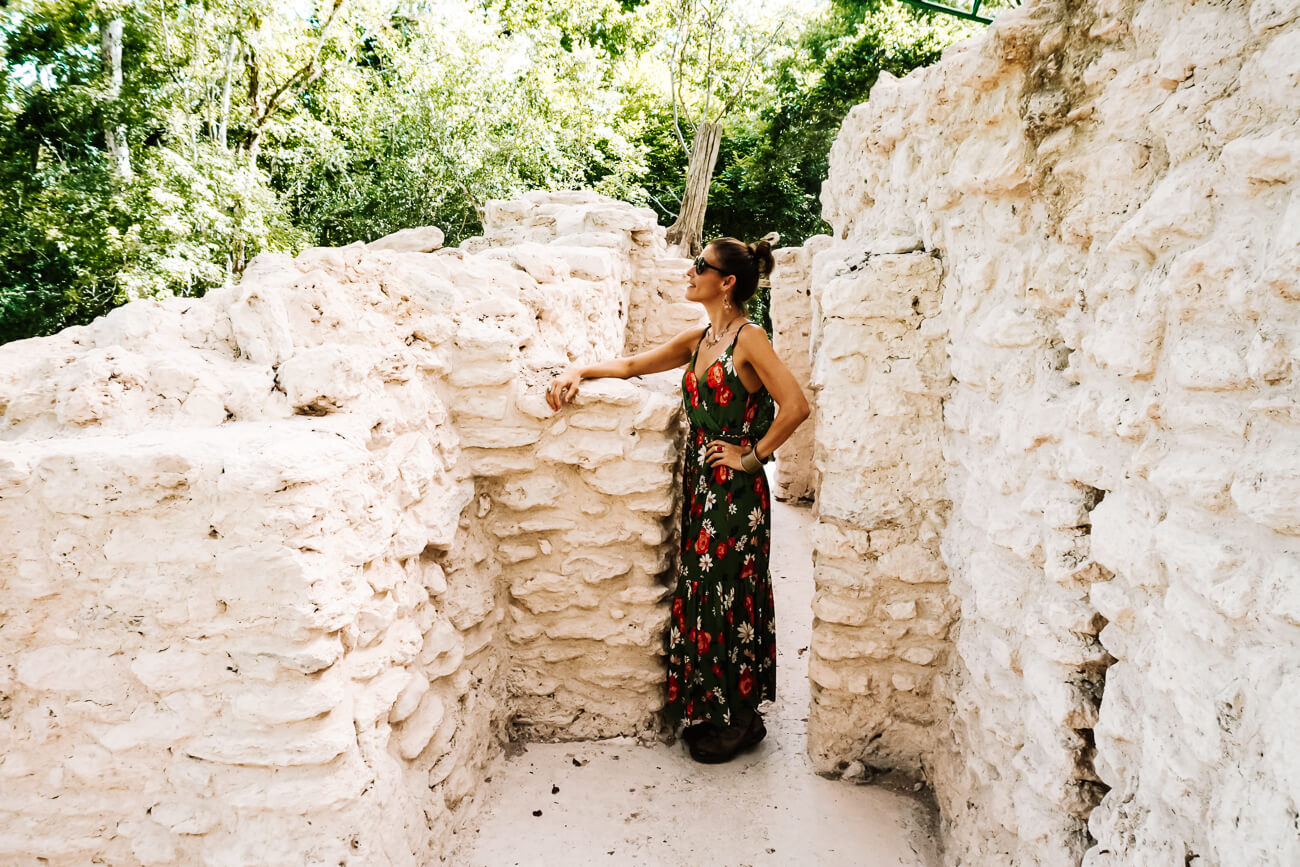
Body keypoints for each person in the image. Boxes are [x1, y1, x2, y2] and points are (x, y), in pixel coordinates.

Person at [545, 236, 811, 763]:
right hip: (700, 486)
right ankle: (723, 712)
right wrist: (578, 370)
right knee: (704, 590)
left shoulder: (749, 340)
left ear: (727, 282)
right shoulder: (699, 339)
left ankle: (738, 718)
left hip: (736, 494)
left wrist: (750, 456)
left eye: (700, 266)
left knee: (730, 594)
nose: (691, 273)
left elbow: (796, 406)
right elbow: (631, 367)